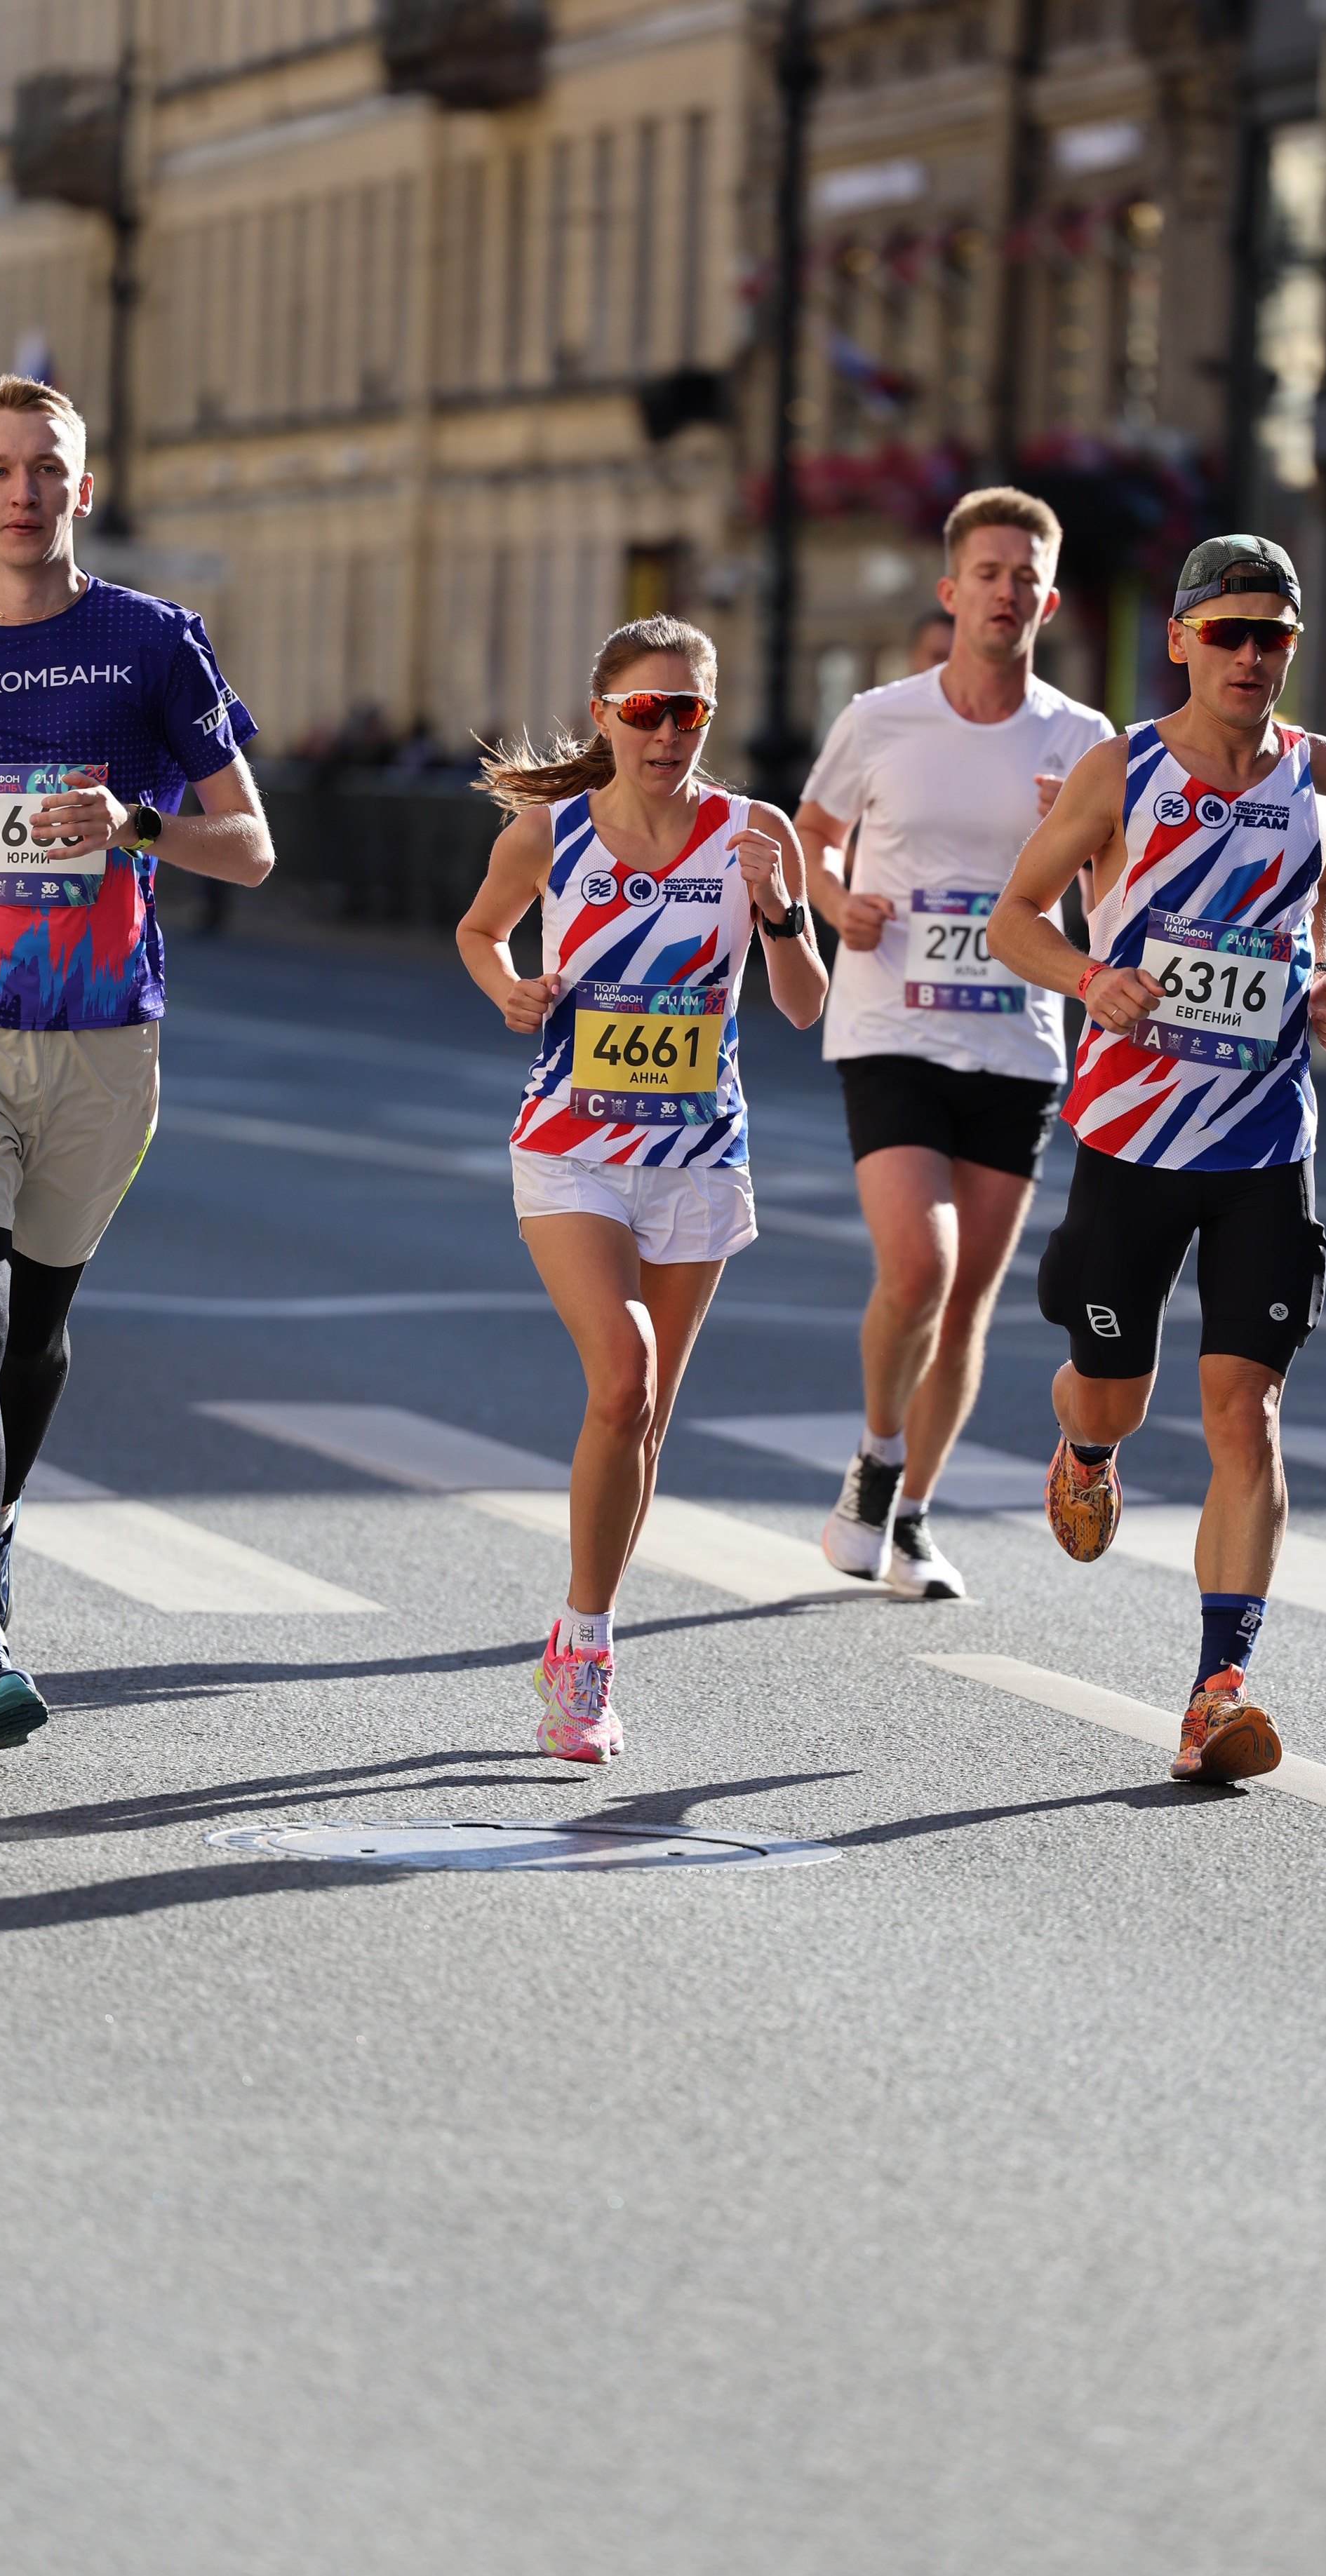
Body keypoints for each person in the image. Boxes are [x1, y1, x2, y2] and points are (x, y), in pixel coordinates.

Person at [0, 373, 272, 1758]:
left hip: (101, 1034)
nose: (22, 490)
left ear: (83, 489)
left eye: (47, 468)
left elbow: (247, 844)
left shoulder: (153, 646)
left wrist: (138, 826)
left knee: (37, 1326)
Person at [986, 532, 1326, 1785]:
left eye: (1274, 638)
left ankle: (1218, 1688)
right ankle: (1086, 1448)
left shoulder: (1318, 767)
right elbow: (1014, 921)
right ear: (1183, 643)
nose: (1253, 657)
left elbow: (1319, 898)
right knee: (1118, 1390)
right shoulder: (1123, 771)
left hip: (1265, 1138)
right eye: (1230, 634)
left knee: (1245, 1411)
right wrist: (1095, 979)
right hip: (1135, 1136)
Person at [456, 614, 828, 1762]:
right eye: (646, 711)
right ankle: (581, 1660)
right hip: (570, 1143)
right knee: (623, 1380)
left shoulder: (754, 834)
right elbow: (479, 932)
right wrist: (509, 987)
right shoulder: (547, 835)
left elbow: (808, 1004)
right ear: (604, 715)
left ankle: (591, 1627)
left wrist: (778, 911)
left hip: (698, 1155)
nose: (669, 732)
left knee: (649, 1414)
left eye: (690, 712)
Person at [796, 486, 1112, 1599]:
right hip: (891, 1021)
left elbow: (1119, 895)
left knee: (971, 1294)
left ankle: (915, 1516)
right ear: (952, 590)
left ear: (1049, 598)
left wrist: (1080, 849)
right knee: (918, 1264)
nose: (1007, 590)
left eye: (1026, 574)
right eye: (988, 571)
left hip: (1019, 1037)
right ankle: (877, 1460)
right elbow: (811, 839)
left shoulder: (1085, 744)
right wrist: (836, 908)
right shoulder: (882, 718)